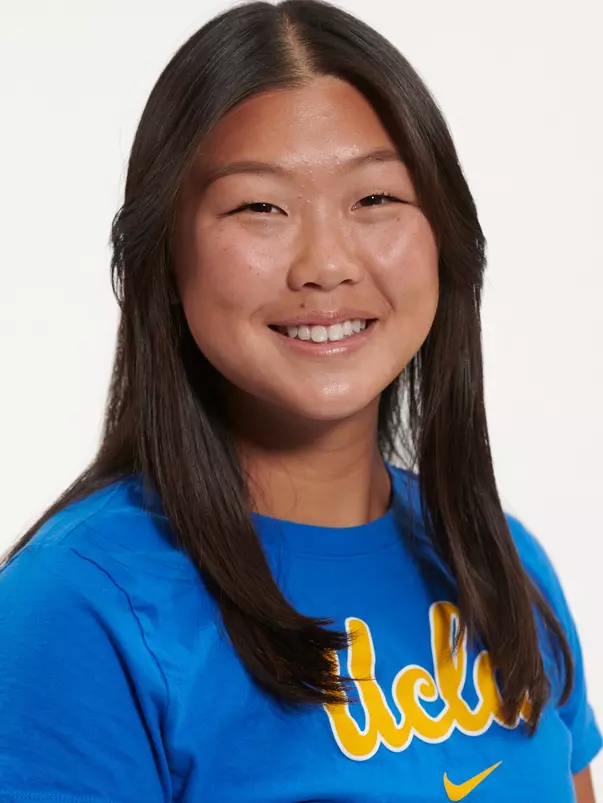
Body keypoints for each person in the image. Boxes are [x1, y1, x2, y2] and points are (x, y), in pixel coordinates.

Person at [0, 0, 599, 800]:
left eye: (375, 199)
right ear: (166, 258)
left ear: (443, 235)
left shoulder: (500, 562)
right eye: (260, 207)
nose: (325, 264)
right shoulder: (77, 607)